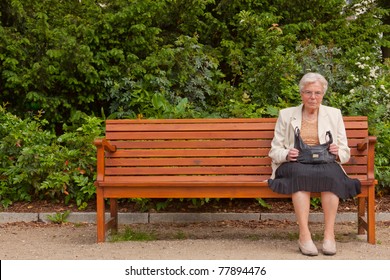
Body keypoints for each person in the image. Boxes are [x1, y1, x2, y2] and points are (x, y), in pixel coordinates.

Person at [268, 72, 361, 256]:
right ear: (301, 93)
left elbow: (345, 150)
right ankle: (304, 235)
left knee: (332, 176)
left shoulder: (334, 114)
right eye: (308, 92)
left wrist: (337, 152)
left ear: (323, 94)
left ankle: (329, 235)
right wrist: (287, 154)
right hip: (296, 163)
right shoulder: (286, 115)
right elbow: (274, 150)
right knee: (300, 175)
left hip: (325, 161)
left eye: (317, 93)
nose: (313, 97)